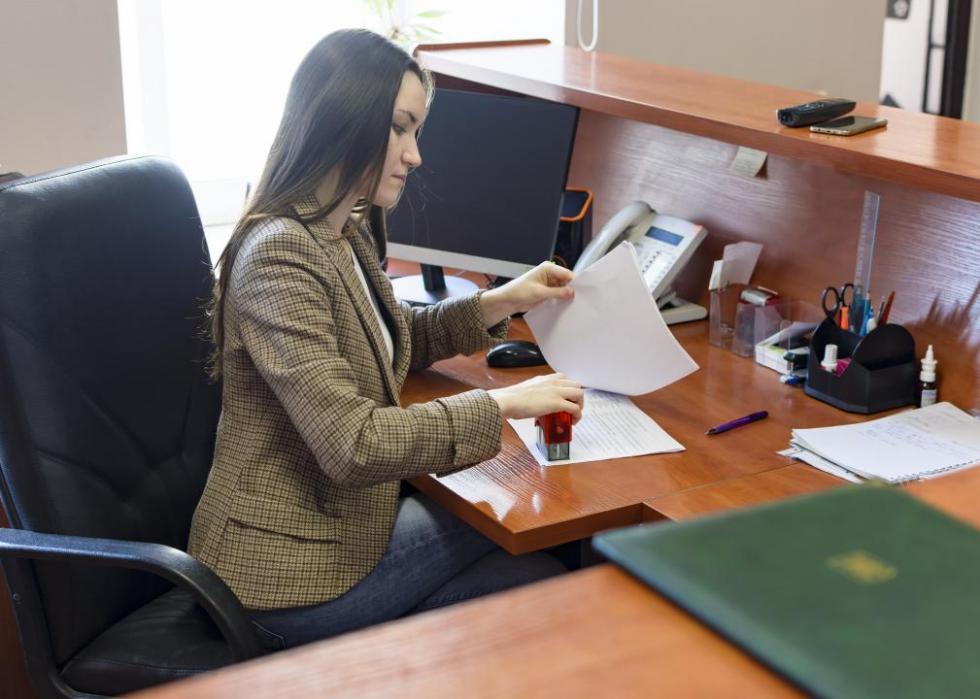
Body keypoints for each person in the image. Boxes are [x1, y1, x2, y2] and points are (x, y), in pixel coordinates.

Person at [188, 28, 585, 649]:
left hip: (341, 524)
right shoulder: (278, 255)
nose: (415, 155)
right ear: (344, 120)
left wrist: (504, 300)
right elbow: (352, 444)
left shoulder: (338, 225)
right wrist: (502, 404)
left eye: (416, 131)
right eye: (400, 128)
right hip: (283, 575)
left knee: (536, 575)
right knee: (536, 523)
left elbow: (389, 340)